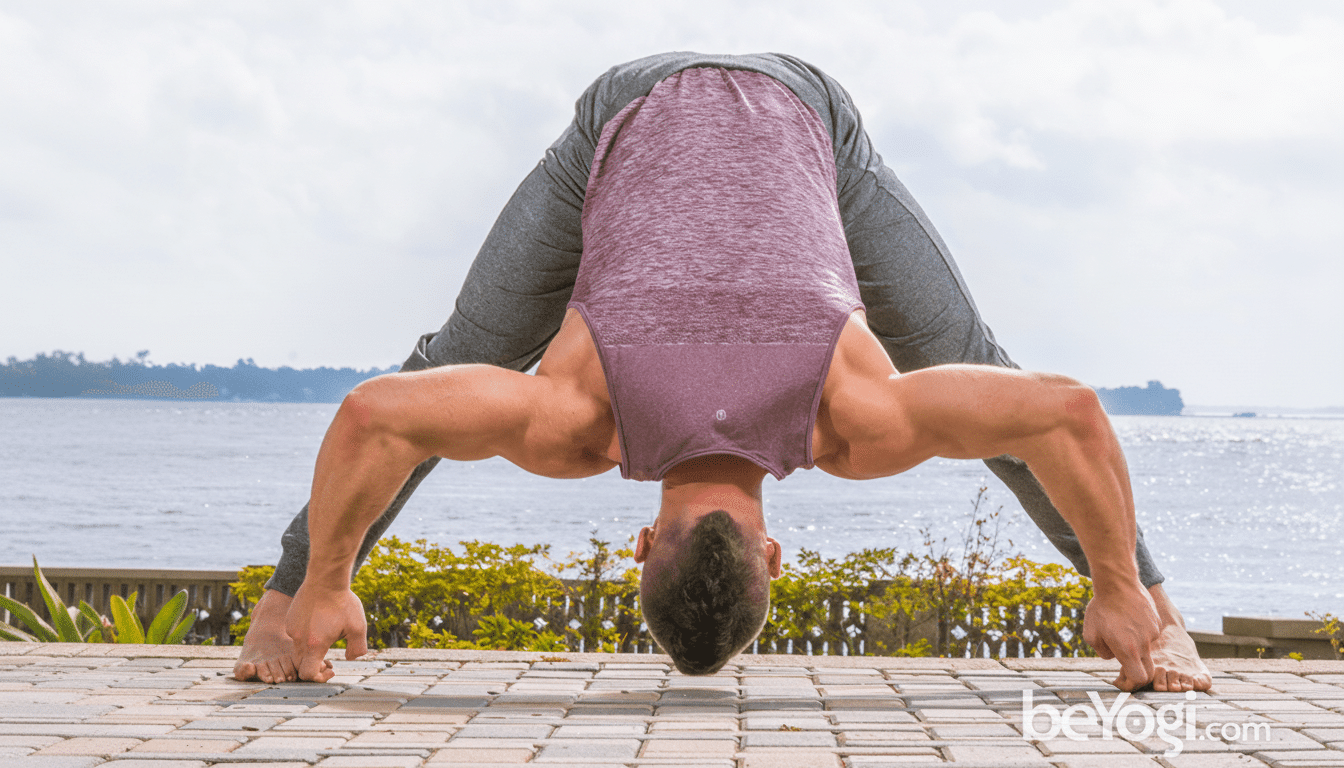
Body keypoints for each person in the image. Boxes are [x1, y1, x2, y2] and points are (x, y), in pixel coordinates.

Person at [233, 52, 1211, 691]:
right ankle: (1155, 619)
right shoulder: (580, 421)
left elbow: (1062, 414)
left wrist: (1113, 584)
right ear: (642, 545)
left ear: (773, 557)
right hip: (724, 111)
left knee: (986, 386)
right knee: (451, 373)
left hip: (733, 116)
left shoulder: (851, 422)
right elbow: (380, 417)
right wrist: (327, 581)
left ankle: (286, 615)